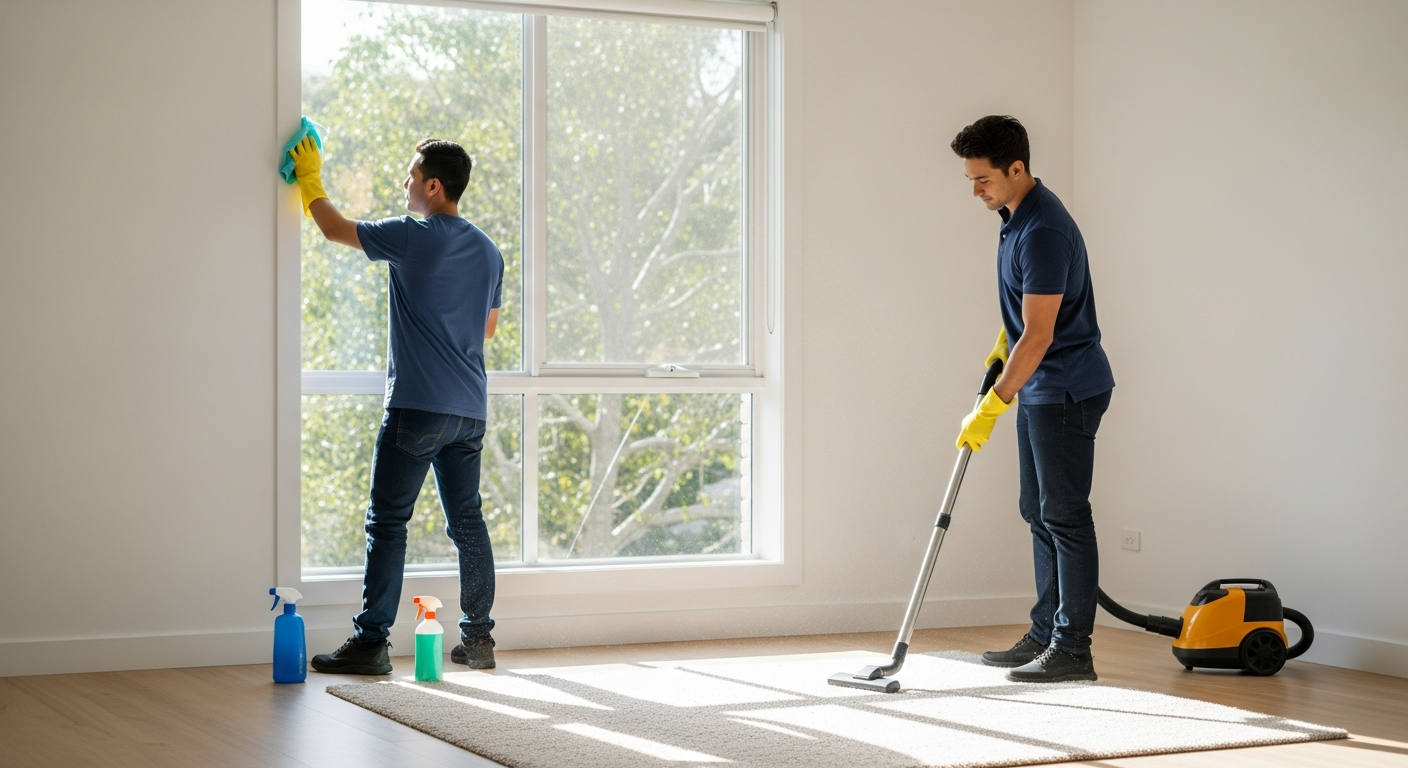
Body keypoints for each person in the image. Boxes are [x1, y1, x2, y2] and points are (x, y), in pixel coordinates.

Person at [287, 135, 505, 675]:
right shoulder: (489, 250)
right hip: (469, 411)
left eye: (410, 175)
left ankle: (370, 643)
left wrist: (310, 179)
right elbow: (488, 329)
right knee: (468, 524)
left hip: (416, 407)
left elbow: (335, 229)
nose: (404, 184)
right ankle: (478, 641)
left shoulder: (412, 235)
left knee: (387, 522)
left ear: (433, 185)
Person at [950, 116, 1115, 683]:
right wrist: (1005, 343)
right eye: (970, 179)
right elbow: (1027, 320)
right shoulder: (1014, 218)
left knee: (1066, 516)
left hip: (1065, 387)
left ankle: (1073, 649)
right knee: (1037, 510)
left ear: (1016, 168)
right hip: (1043, 387)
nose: (975, 190)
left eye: (982, 179)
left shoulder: (1042, 230)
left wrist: (993, 403)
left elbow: (1041, 335)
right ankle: (1046, 633)